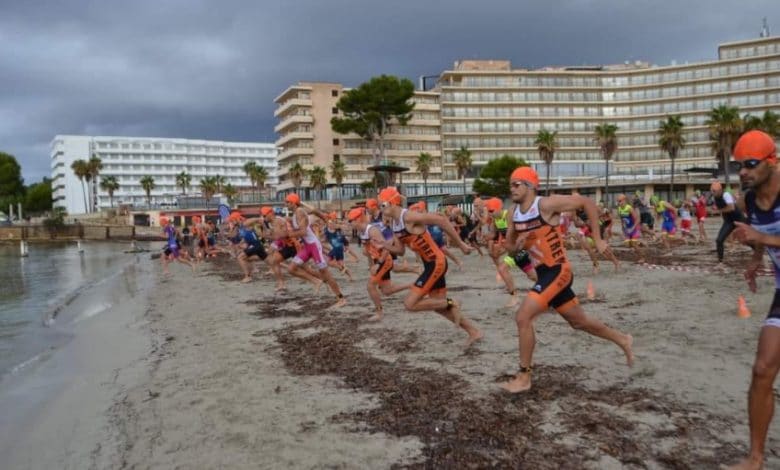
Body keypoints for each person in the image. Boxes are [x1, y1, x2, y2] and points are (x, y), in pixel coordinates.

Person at [498, 166, 633, 393]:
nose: (511, 188)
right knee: (579, 322)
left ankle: (524, 376)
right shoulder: (513, 212)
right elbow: (510, 248)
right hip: (544, 275)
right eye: (510, 184)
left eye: (516, 184)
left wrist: (598, 239)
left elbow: (586, 203)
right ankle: (623, 340)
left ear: (530, 186)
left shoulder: (546, 204)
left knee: (523, 317)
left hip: (559, 271)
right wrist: (517, 245)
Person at [724, 130, 780, 470]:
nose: (743, 171)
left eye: (751, 164)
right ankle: (755, 459)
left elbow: (763, 231)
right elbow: (761, 231)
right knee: (762, 370)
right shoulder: (748, 201)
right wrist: (756, 258)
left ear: (772, 162)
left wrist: (761, 236)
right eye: (739, 165)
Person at [378, 187, 483, 346]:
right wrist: (384, 245)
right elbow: (400, 251)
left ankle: (453, 301)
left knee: (410, 304)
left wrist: (460, 244)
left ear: (392, 203)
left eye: (382, 205)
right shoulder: (394, 223)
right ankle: (473, 331)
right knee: (438, 306)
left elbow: (441, 220)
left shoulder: (408, 216)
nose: (380, 209)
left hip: (436, 263)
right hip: (430, 264)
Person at [348, 207, 410, 321]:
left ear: (358, 220)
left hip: (385, 260)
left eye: (350, 221)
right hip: (378, 260)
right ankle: (413, 285)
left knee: (370, 286)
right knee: (387, 291)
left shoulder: (372, 230)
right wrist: (371, 264)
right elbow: (368, 251)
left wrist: (379, 263)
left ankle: (379, 312)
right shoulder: (361, 232)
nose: (349, 224)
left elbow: (386, 247)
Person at [285, 193, 346, 308]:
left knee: (325, 273)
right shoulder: (297, 213)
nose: (285, 204)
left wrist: (290, 234)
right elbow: (315, 212)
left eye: (287, 202)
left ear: (293, 202)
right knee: (291, 268)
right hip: (307, 246)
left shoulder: (300, 212)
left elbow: (303, 232)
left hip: (313, 245)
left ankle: (341, 298)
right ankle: (316, 281)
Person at [712, 180, 746, 263]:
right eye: (712, 191)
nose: (713, 193)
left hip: (738, 219)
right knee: (719, 240)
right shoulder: (715, 197)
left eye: (714, 191)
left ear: (720, 190)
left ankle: (760, 255)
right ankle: (720, 262)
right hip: (729, 221)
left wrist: (718, 211)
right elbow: (722, 210)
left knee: (748, 240)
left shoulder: (726, 194)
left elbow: (731, 208)